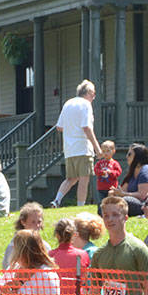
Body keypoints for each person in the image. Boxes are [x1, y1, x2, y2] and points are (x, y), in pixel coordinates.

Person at [51, 80, 102, 208]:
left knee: (71, 179)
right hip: (83, 147)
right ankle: (80, 206)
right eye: (94, 93)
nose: (94, 97)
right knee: (84, 179)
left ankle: (56, 200)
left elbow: (59, 127)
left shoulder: (68, 103)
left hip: (69, 148)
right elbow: (86, 127)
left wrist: (72, 128)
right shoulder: (86, 104)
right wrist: (97, 148)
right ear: (89, 93)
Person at [113, 143, 148, 217]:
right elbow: (123, 190)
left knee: (126, 201)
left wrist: (123, 194)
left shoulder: (146, 171)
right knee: (108, 203)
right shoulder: (133, 171)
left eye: (129, 154)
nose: (127, 156)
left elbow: (142, 195)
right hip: (138, 202)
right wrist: (115, 193)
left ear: (138, 156)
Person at [2, 202, 48, 269]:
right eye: (33, 222)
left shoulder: (45, 246)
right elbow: (8, 270)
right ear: (23, 222)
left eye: (39, 222)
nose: (37, 226)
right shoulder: (13, 247)